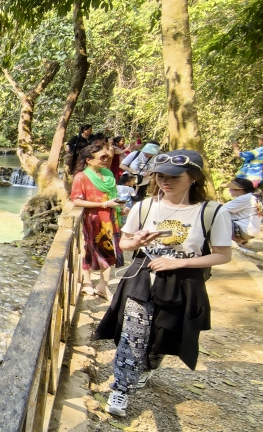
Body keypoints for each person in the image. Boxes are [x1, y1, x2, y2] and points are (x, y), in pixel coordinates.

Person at [94, 149, 232, 417]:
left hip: (182, 283)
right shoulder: (144, 206)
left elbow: (223, 255)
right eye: (159, 175)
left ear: (193, 177)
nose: (164, 181)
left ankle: (148, 366)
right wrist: (137, 242)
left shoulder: (212, 212)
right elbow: (124, 243)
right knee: (133, 336)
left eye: (173, 177)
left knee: (164, 335)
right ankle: (120, 389)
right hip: (143, 278)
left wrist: (178, 262)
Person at [71, 144, 127, 299]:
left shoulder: (108, 174)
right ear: (89, 160)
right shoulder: (81, 177)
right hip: (93, 220)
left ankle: (103, 285)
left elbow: (112, 194)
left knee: (110, 251)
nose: (106, 159)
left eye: (106, 157)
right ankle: (87, 282)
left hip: (111, 218)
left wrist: (120, 208)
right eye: (102, 157)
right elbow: (76, 200)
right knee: (89, 250)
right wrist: (102, 204)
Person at [223, 177, 262, 245]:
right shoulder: (252, 197)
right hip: (251, 231)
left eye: (231, 188)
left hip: (244, 231)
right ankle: (240, 241)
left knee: (216, 218)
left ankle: (232, 243)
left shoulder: (245, 198)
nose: (229, 190)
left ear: (239, 189)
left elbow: (220, 211)